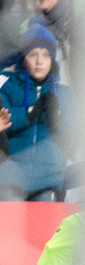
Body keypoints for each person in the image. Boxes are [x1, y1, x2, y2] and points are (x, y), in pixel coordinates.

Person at [0, 25, 66, 201]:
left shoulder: (62, 93)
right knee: (10, 224)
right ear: (22, 59)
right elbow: (3, 120)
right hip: (11, 180)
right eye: (33, 54)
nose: (39, 61)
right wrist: (30, 112)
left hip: (47, 180)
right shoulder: (6, 86)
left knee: (45, 225)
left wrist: (56, 117)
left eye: (45, 55)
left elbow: (73, 136)